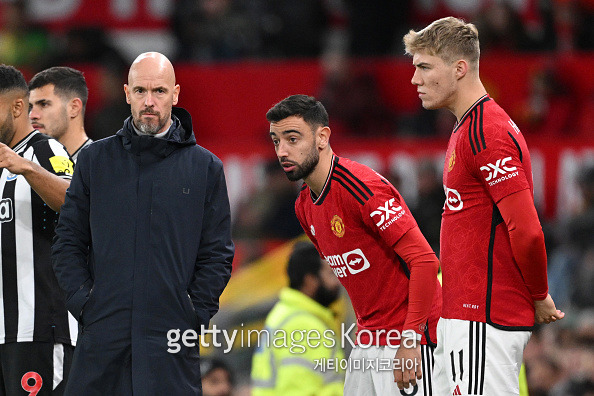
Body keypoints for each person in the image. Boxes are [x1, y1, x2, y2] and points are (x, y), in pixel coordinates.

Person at [51, 52, 234, 395]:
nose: (149, 102)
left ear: (176, 94)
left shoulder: (206, 168)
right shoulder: (94, 161)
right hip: (102, 339)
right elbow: (68, 241)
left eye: (159, 92)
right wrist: (85, 302)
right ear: (126, 93)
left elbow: (217, 255)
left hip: (171, 341)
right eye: (140, 91)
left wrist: (193, 312)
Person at [403, 17, 565, 395]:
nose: (415, 80)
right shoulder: (466, 127)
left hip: (484, 319)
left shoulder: (485, 132)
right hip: (467, 319)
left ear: (460, 68)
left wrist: (539, 294)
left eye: (424, 67)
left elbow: (525, 229)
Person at [266, 94, 442, 395]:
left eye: (292, 139)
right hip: (368, 340)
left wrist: (411, 340)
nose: (282, 151)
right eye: (276, 140)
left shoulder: (360, 188)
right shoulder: (304, 206)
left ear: (322, 137)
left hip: (412, 339)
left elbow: (425, 261)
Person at [0, 64, 74, 395]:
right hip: (4, 332)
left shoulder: (44, 150)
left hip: (40, 329)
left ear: (18, 107)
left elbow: (77, 202)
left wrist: (28, 168)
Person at [251, 241, 345, 395]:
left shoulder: (288, 314)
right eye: (331, 274)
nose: (338, 282)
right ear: (310, 280)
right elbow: (298, 390)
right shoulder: (301, 323)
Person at [29, 66, 92, 162]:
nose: (32, 115)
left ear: (73, 108)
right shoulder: (24, 165)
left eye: (44, 104)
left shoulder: (102, 166)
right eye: (30, 107)